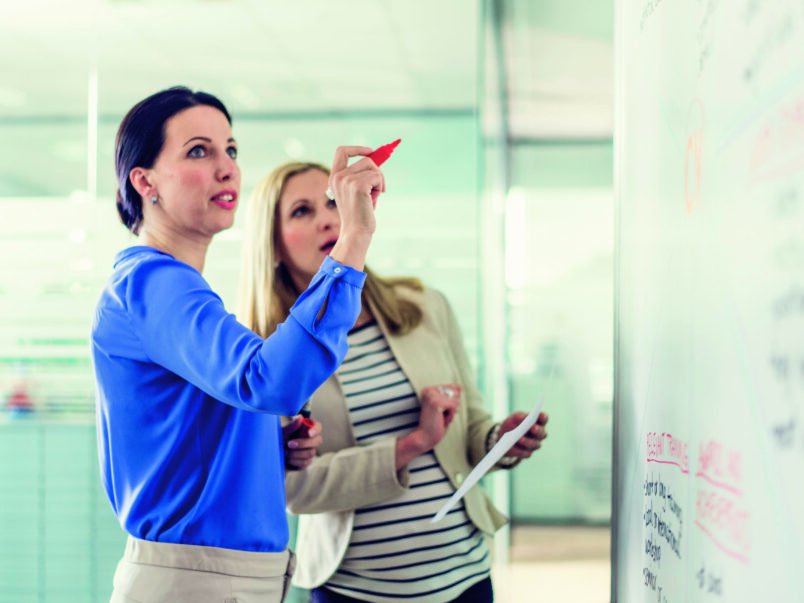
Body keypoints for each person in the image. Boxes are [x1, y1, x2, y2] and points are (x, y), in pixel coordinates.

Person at [91, 87, 387, 603]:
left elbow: (194, 437)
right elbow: (267, 380)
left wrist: (267, 442)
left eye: (231, 150)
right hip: (195, 583)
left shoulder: (174, 287)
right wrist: (354, 234)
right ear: (145, 182)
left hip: (224, 578)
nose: (227, 167)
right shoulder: (151, 281)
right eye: (199, 151)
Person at [238, 161, 550, 603]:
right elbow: (292, 488)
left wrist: (501, 439)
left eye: (331, 203)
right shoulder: (269, 355)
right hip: (354, 592)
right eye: (301, 212)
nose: (327, 218)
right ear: (271, 245)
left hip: (464, 578)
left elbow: (471, 429)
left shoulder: (425, 308)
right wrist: (410, 444)